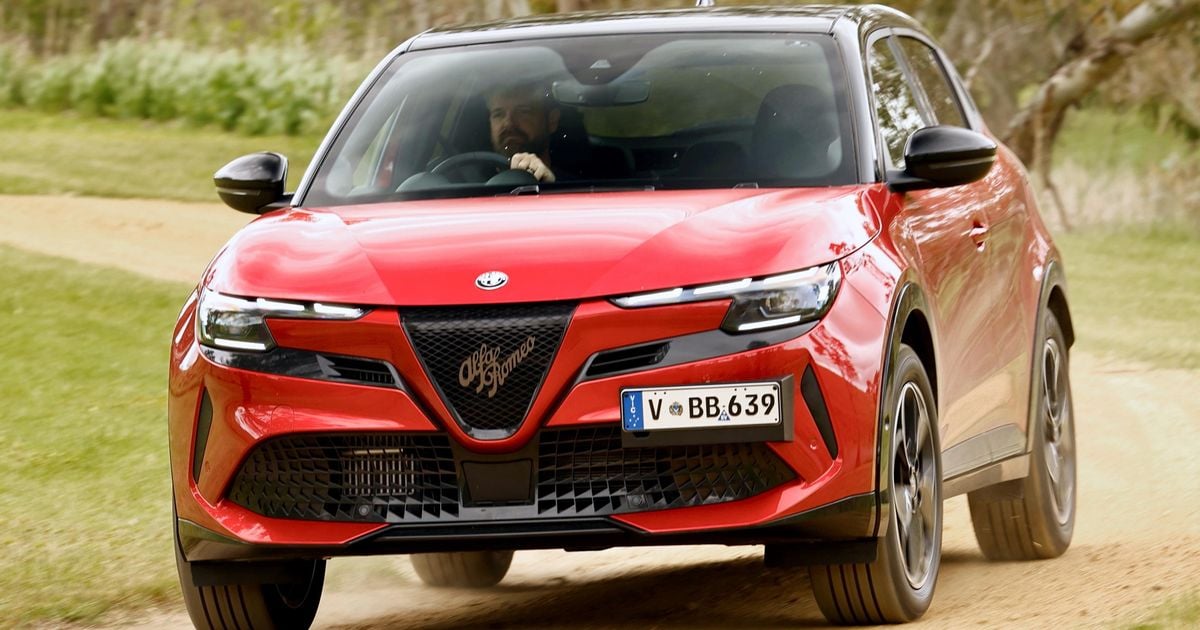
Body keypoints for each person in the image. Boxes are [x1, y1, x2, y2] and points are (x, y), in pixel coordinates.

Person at [485, 83, 561, 183]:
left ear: (552, 121)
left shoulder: (574, 187)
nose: (508, 123)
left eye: (523, 112)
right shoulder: (470, 182)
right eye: (498, 114)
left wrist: (549, 186)